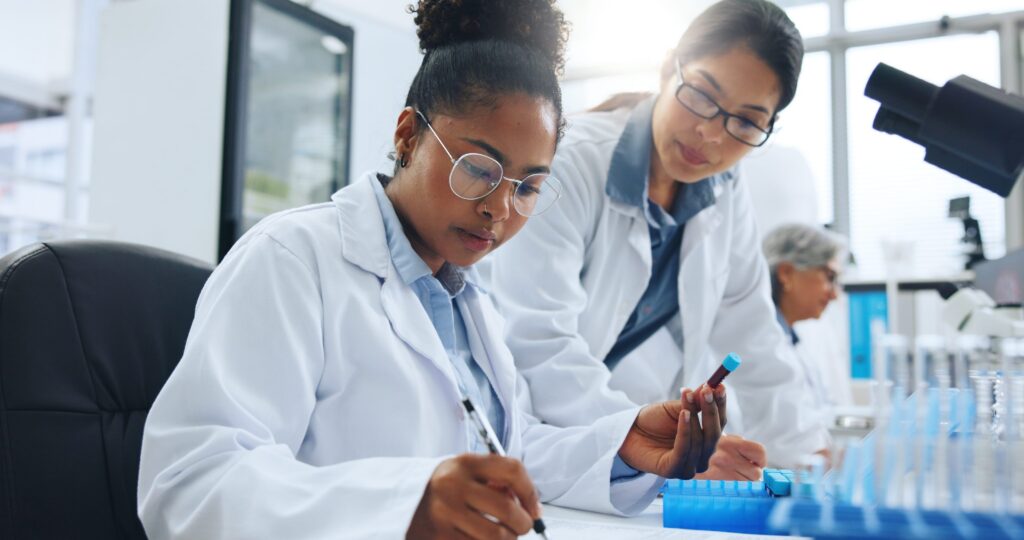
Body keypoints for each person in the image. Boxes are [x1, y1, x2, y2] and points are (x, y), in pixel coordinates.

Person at [137, 1, 725, 539]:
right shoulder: (293, 258)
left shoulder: (468, 300)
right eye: (479, 167)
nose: (500, 208)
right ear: (407, 135)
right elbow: (192, 481)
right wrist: (404, 506)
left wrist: (624, 447)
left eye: (527, 186)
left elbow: (507, 453)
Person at [486, 0, 829, 474]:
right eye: (703, 96)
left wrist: (812, 454)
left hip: (589, 439)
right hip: (514, 425)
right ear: (669, 67)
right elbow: (537, 342)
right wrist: (648, 442)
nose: (711, 134)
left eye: (747, 123)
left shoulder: (724, 192)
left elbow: (753, 334)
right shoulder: (572, 164)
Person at [763, 223, 849, 411]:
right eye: (829, 277)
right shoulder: (760, 346)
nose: (834, 295)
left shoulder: (791, 341)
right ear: (786, 273)